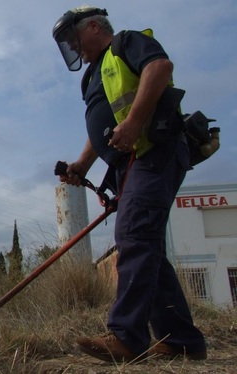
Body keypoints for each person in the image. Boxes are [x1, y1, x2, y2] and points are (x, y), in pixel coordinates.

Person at [51, 6, 207, 363]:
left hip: (154, 150)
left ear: (93, 26)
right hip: (128, 165)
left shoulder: (125, 44)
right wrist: (81, 164)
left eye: (74, 38)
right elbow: (102, 126)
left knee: (134, 236)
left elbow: (160, 68)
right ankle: (181, 339)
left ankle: (126, 337)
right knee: (145, 245)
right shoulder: (93, 76)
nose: (73, 47)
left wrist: (135, 122)